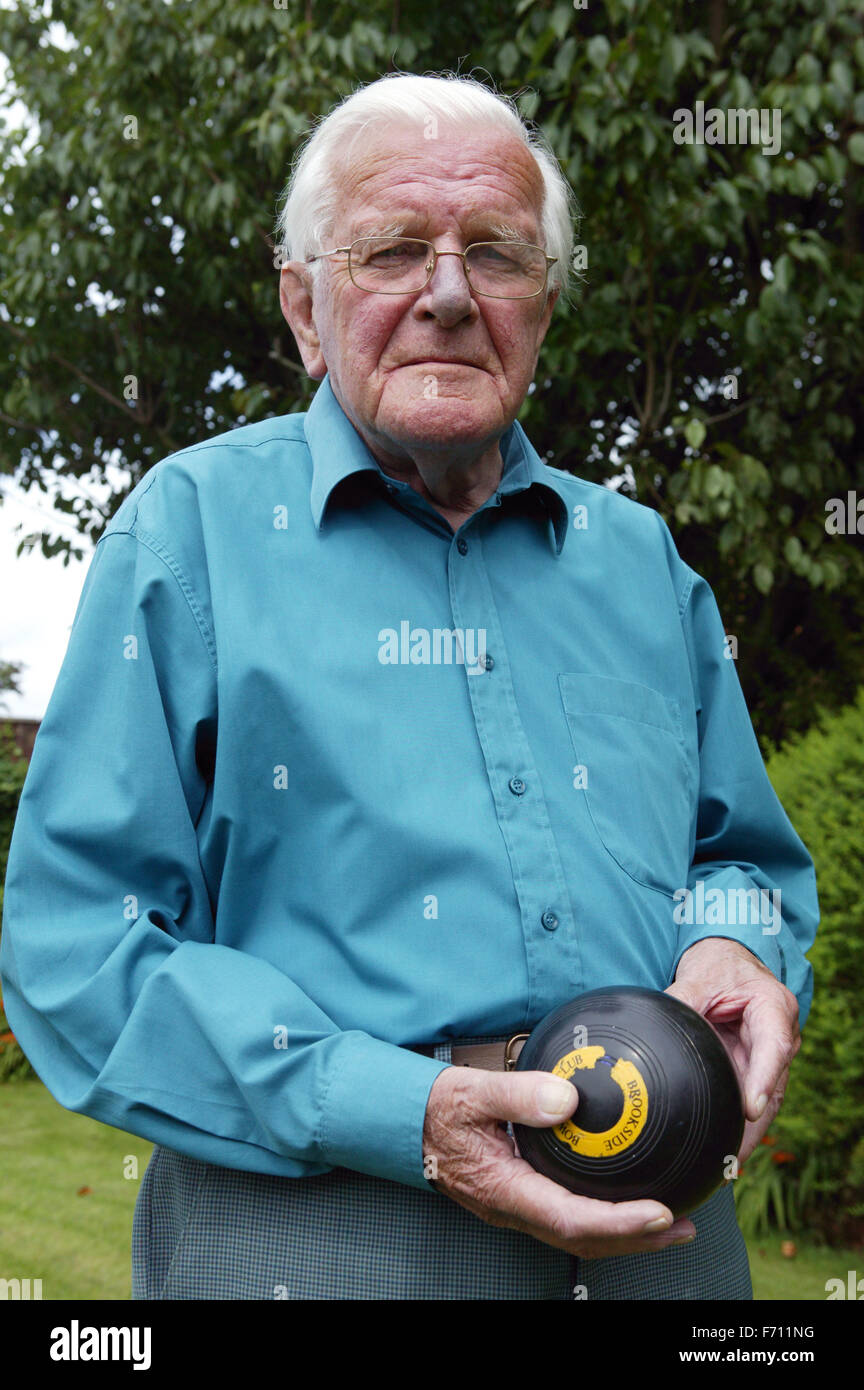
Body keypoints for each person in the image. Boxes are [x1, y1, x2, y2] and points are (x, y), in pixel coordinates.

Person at [0, 71, 817, 1301]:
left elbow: (743, 859)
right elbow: (75, 944)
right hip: (325, 1234)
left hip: (671, 1239)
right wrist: (402, 1109)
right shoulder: (191, 535)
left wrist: (736, 949)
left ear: (542, 303)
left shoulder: (640, 562)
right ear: (304, 305)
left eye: (495, 252)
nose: (447, 294)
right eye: (392, 249)